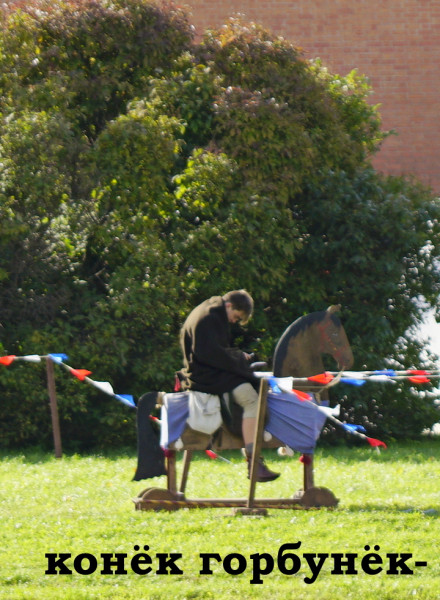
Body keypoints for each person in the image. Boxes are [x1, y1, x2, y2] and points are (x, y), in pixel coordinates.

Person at [178, 289, 279, 482]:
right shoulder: (210, 317)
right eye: (236, 316)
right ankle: (254, 462)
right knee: (252, 400)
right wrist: (239, 359)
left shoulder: (208, 309)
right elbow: (210, 354)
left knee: (249, 387)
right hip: (207, 377)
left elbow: (215, 351)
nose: (234, 321)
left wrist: (236, 356)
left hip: (206, 373)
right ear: (229, 305)